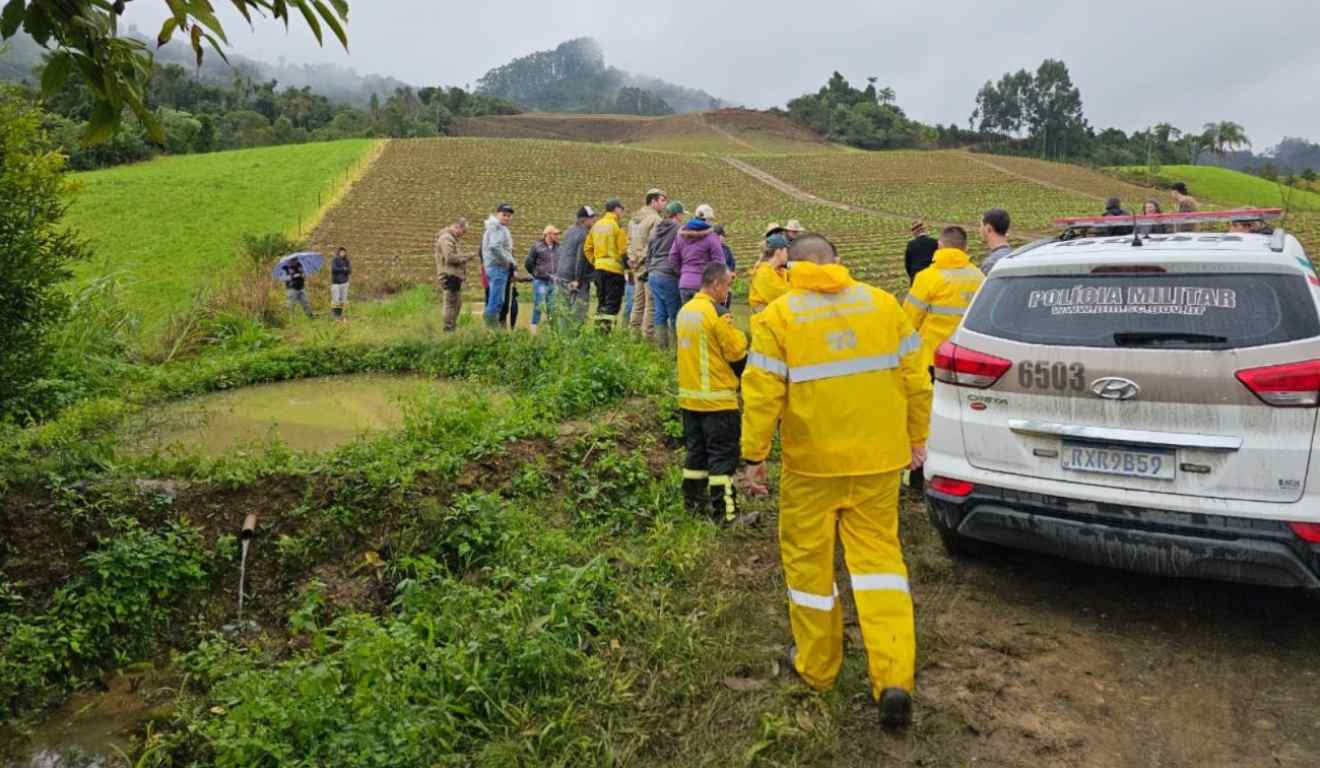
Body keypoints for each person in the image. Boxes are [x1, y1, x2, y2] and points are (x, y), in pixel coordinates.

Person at [741, 233, 932, 731]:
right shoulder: (884, 305)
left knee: (809, 566)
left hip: (812, 467)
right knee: (880, 566)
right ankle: (893, 678)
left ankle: (818, 667)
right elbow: (916, 379)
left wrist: (754, 457)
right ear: (838, 263)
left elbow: (762, 394)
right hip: (877, 464)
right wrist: (918, 439)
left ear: (793, 268)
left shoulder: (778, 317)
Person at [677, 261, 748, 523]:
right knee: (723, 459)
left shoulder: (685, 311)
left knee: (696, 455)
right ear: (717, 284)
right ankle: (726, 515)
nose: (728, 291)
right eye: (727, 285)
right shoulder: (717, 313)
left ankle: (693, 507)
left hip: (690, 399)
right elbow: (735, 351)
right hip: (718, 402)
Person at [904, 226, 986, 374]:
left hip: (934, 357)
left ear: (939, 246)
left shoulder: (926, 277)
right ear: (965, 248)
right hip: (970, 358)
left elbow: (909, 320)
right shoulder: (980, 277)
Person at [584, 197, 629, 330]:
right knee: (612, 304)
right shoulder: (617, 226)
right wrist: (628, 269)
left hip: (599, 270)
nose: (622, 212)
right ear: (616, 209)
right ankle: (605, 334)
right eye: (621, 209)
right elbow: (622, 251)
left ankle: (598, 334)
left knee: (601, 302)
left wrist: (595, 262)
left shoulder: (596, 225)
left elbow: (587, 248)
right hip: (614, 271)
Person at [628, 188, 667, 338]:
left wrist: (632, 259)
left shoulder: (634, 218)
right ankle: (647, 338)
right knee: (650, 304)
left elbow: (629, 241)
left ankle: (633, 335)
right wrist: (641, 260)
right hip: (647, 266)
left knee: (638, 302)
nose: (665, 204)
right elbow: (652, 245)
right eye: (662, 200)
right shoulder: (656, 220)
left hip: (635, 265)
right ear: (653, 201)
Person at [648, 200, 686, 348]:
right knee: (675, 314)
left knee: (659, 313)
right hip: (669, 275)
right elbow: (680, 252)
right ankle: (677, 351)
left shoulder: (656, 229)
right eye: (682, 214)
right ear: (677, 215)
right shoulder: (679, 229)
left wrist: (650, 268)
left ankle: (661, 349)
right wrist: (678, 271)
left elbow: (649, 251)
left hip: (654, 274)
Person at [670, 204, 725, 305]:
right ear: (708, 220)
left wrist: (683, 272)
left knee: (688, 317)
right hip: (703, 285)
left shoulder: (681, 235)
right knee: (703, 317)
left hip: (684, 283)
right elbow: (719, 262)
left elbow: (673, 257)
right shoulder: (711, 237)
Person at [555, 206, 596, 323]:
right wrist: (578, 279)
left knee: (564, 310)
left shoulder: (568, 231)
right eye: (592, 218)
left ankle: (562, 338)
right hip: (575, 277)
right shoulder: (585, 235)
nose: (594, 221)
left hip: (562, 274)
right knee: (579, 311)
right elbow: (580, 259)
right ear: (584, 220)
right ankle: (575, 338)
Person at [482, 203, 516, 328]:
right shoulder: (497, 227)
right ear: (497, 214)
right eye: (504, 215)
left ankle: (490, 328)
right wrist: (508, 261)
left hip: (495, 267)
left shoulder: (497, 227)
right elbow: (494, 246)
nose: (506, 218)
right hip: (497, 268)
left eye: (509, 216)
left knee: (497, 301)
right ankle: (491, 330)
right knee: (495, 302)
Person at [434, 218, 469, 332]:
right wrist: (466, 257)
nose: (463, 235)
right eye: (463, 231)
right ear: (457, 227)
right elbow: (449, 257)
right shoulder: (446, 238)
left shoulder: (452, 238)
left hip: (454, 275)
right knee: (450, 304)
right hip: (449, 275)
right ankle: (448, 329)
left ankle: (452, 327)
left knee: (457, 304)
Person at [526, 225, 560, 334]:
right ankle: (533, 333)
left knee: (552, 308)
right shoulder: (536, 246)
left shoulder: (559, 247)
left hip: (553, 282)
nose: (558, 236)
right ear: (548, 234)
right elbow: (528, 263)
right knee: (539, 306)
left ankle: (553, 332)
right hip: (540, 281)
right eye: (555, 234)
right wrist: (535, 273)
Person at [749, 233, 791, 314]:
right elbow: (780, 296)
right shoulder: (763, 272)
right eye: (786, 251)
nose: (787, 255)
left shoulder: (780, 271)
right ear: (778, 252)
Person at [978, 208, 1013, 275]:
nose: (979, 229)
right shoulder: (1016, 256)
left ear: (988, 229)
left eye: (981, 226)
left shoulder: (990, 264)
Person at [329, 247, 351, 321]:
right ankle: (335, 315)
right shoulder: (335, 260)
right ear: (338, 253)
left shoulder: (347, 261)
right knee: (336, 300)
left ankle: (341, 315)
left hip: (344, 283)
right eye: (341, 252)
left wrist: (344, 269)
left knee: (343, 300)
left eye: (344, 252)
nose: (343, 254)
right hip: (336, 283)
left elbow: (349, 270)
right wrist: (343, 269)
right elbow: (334, 269)